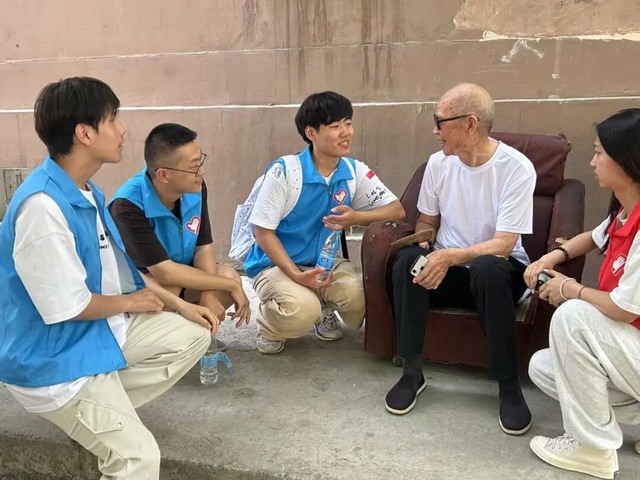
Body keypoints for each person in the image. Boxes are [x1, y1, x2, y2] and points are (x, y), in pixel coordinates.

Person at [0, 77, 216, 479]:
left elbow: (123, 272)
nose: (122, 130)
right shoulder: (43, 207)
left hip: (93, 335)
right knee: (138, 459)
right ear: (84, 133)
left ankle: (101, 412)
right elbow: (68, 306)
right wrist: (131, 303)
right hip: (55, 361)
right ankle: (89, 413)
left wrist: (180, 304)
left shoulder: (85, 191)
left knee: (191, 333)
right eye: (113, 119)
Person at [385, 83, 537, 436]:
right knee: (407, 261)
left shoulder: (516, 168)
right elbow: (427, 222)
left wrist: (450, 256)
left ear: (470, 123)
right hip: (448, 273)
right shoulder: (437, 164)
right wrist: (423, 244)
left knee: (487, 266)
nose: (434, 130)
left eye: (439, 121)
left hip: (500, 273)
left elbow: (504, 244)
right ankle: (411, 372)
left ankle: (508, 386)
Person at [526, 108, 640, 480]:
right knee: (544, 367)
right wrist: (551, 257)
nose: (592, 162)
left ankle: (593, 449)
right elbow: (593, 237)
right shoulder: (626, 213)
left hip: (631, 340)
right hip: (631, 350)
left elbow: (622, 310)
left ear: (627, 159)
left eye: (598, 153)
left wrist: (569, 289)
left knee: (573, 316)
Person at [245, 91, 405, 354]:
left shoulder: (353, 171)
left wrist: (358, 217)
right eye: (335, 126)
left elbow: (397, 211)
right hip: (275, 264)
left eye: (348, 123)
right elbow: (263, 233)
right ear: (311, 132)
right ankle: (269, 325)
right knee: (301, 311)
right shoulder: (285, 171)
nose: (346, 133)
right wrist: (297, 275)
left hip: (323, 262)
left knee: (359, 301)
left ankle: (322, 306)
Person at [109, 123, 251, 350]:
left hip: (181, 274)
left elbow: (203, 246)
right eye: (194, 167)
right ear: (164, 175)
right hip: (146, 286)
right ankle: (171, 343)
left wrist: (208, 293)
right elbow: (164, 272)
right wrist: (226, 285)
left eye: (200, 161)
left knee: (229, 277)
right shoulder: (127, 206)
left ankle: (199, 334)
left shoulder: (195, 187)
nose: (201, 172)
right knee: (172, 290)